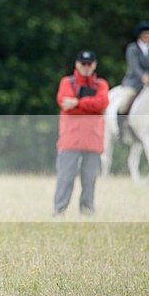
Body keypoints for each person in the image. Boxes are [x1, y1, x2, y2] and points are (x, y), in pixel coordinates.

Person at [53, 50, 109, 216]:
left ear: (94, 65)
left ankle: (87, 211)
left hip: (93, 140)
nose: (86, 67)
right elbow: (64, 104)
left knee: (90, 179)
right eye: (83, 64)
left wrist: (77, 103)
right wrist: (90, 107)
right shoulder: (66, 82)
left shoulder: (102, 85)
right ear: (77, 64)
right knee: (65, 178)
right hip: (70, 140)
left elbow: (102, 103)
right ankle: (59, 211)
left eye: (89, 64)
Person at [113, 21, 149, 118]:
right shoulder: (132, 48)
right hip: (134, 82)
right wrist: (143, 76)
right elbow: (134, 66)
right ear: (140, 35)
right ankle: (121, 125)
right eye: (146, 34)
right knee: (123, 105)